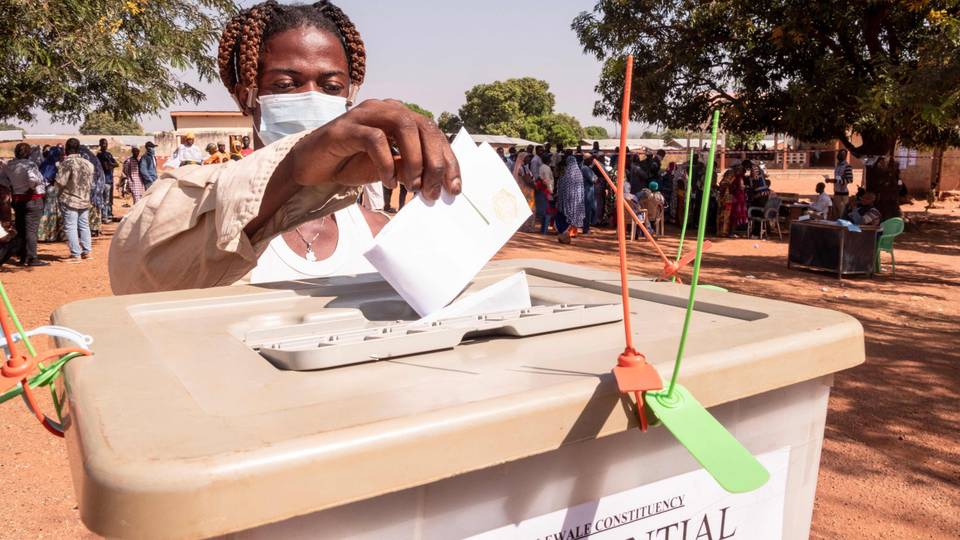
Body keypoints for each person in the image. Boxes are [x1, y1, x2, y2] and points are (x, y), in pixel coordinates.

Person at [109, 0, 460, 294]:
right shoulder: (195, 211)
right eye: (286, 84)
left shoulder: (376, 232)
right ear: (246, 95)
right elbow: (136, 267)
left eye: (332, 86)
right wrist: (294, 165)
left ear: (350, 96)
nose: (312, 97)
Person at [0, 143, 48, 266]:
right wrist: (31, 188)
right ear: (28, 153)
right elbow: (33, 179)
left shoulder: (9, 165)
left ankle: (22, 256)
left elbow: (3, 180)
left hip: (18, 200)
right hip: (32, 199)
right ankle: (32, 258)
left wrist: (13, 187)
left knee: (21, 229)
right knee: (31, 230)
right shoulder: (30, 165)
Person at [56, 138, 94, 263]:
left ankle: (75, 254)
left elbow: (61, 182)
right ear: (79, 149)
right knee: (84, 225)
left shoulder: (67, 163)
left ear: (66, 149)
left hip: (70, 199)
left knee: (71, 227)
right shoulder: (88, 164)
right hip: (84, 198)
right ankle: (87, 252)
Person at [554, 154, 585, 243]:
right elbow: (581, 190)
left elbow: (559, 187)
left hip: (565, 201)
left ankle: (565, 234)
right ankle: (571, 234)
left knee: (564, 216)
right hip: (576, 201)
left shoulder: (565, 175)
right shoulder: (579, 175)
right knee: (573, 216)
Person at [37, 146, 64, 242]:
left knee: (46, 210)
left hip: (43, 190)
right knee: (52, 211)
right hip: (52, 189)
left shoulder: (44, 163)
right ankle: (51, 235)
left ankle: (43, 234)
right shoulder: (56, 165)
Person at [511, 150, 536, 232]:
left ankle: (525, 226)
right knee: (527, 208)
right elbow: (527, 180)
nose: (529, 159)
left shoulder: (523, 168)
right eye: (527, 157)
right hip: (525, 192)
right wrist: (536, 187)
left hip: (526, 191)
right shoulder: (521, 168)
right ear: (523, 158)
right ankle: (526, 227)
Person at [826, 149, 853, 220]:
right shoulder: (837, 166)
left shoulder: (847, 166)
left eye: (842, 154)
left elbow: (849, 180)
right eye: (839, 154)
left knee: (842, 216)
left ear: (845, 156)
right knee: (835, 215)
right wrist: (830, 180)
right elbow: (837, 180)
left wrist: (836, 180)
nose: (840, 155)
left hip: (843, 195)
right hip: (836, 193)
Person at [96, 138, 119, 222]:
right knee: (104, 199)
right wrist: (111, 164)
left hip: (110, 179)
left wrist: (110, 164)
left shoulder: (109, 154)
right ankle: (104, 216)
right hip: (103, 180)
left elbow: (116, 164)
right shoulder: (99, 155)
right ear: (100, 145)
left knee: (109, 199)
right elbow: (106, 167)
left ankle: (109, 214)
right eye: (103, 143)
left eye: (106, 143)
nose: (105, 145)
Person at [534, 151, 555, 234]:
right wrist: (550, 191)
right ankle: (544, 230)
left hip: (543, 190)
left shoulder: (542, 167)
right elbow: (547, 181)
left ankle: (543, 229)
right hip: (546, 191)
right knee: (547, 211)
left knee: (544, 211)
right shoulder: (546, 168)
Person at [580, 153, 598, 233]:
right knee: (587, 211)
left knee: (593, 209)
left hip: (590, 191)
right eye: (590, 159)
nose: (592, 161)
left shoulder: (588, 168)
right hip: (586, 192)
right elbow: (593, 179)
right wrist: (595, 178)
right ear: (587, 160)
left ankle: (587, 226)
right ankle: (585, 229)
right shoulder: (585, 168)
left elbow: (595, 178)